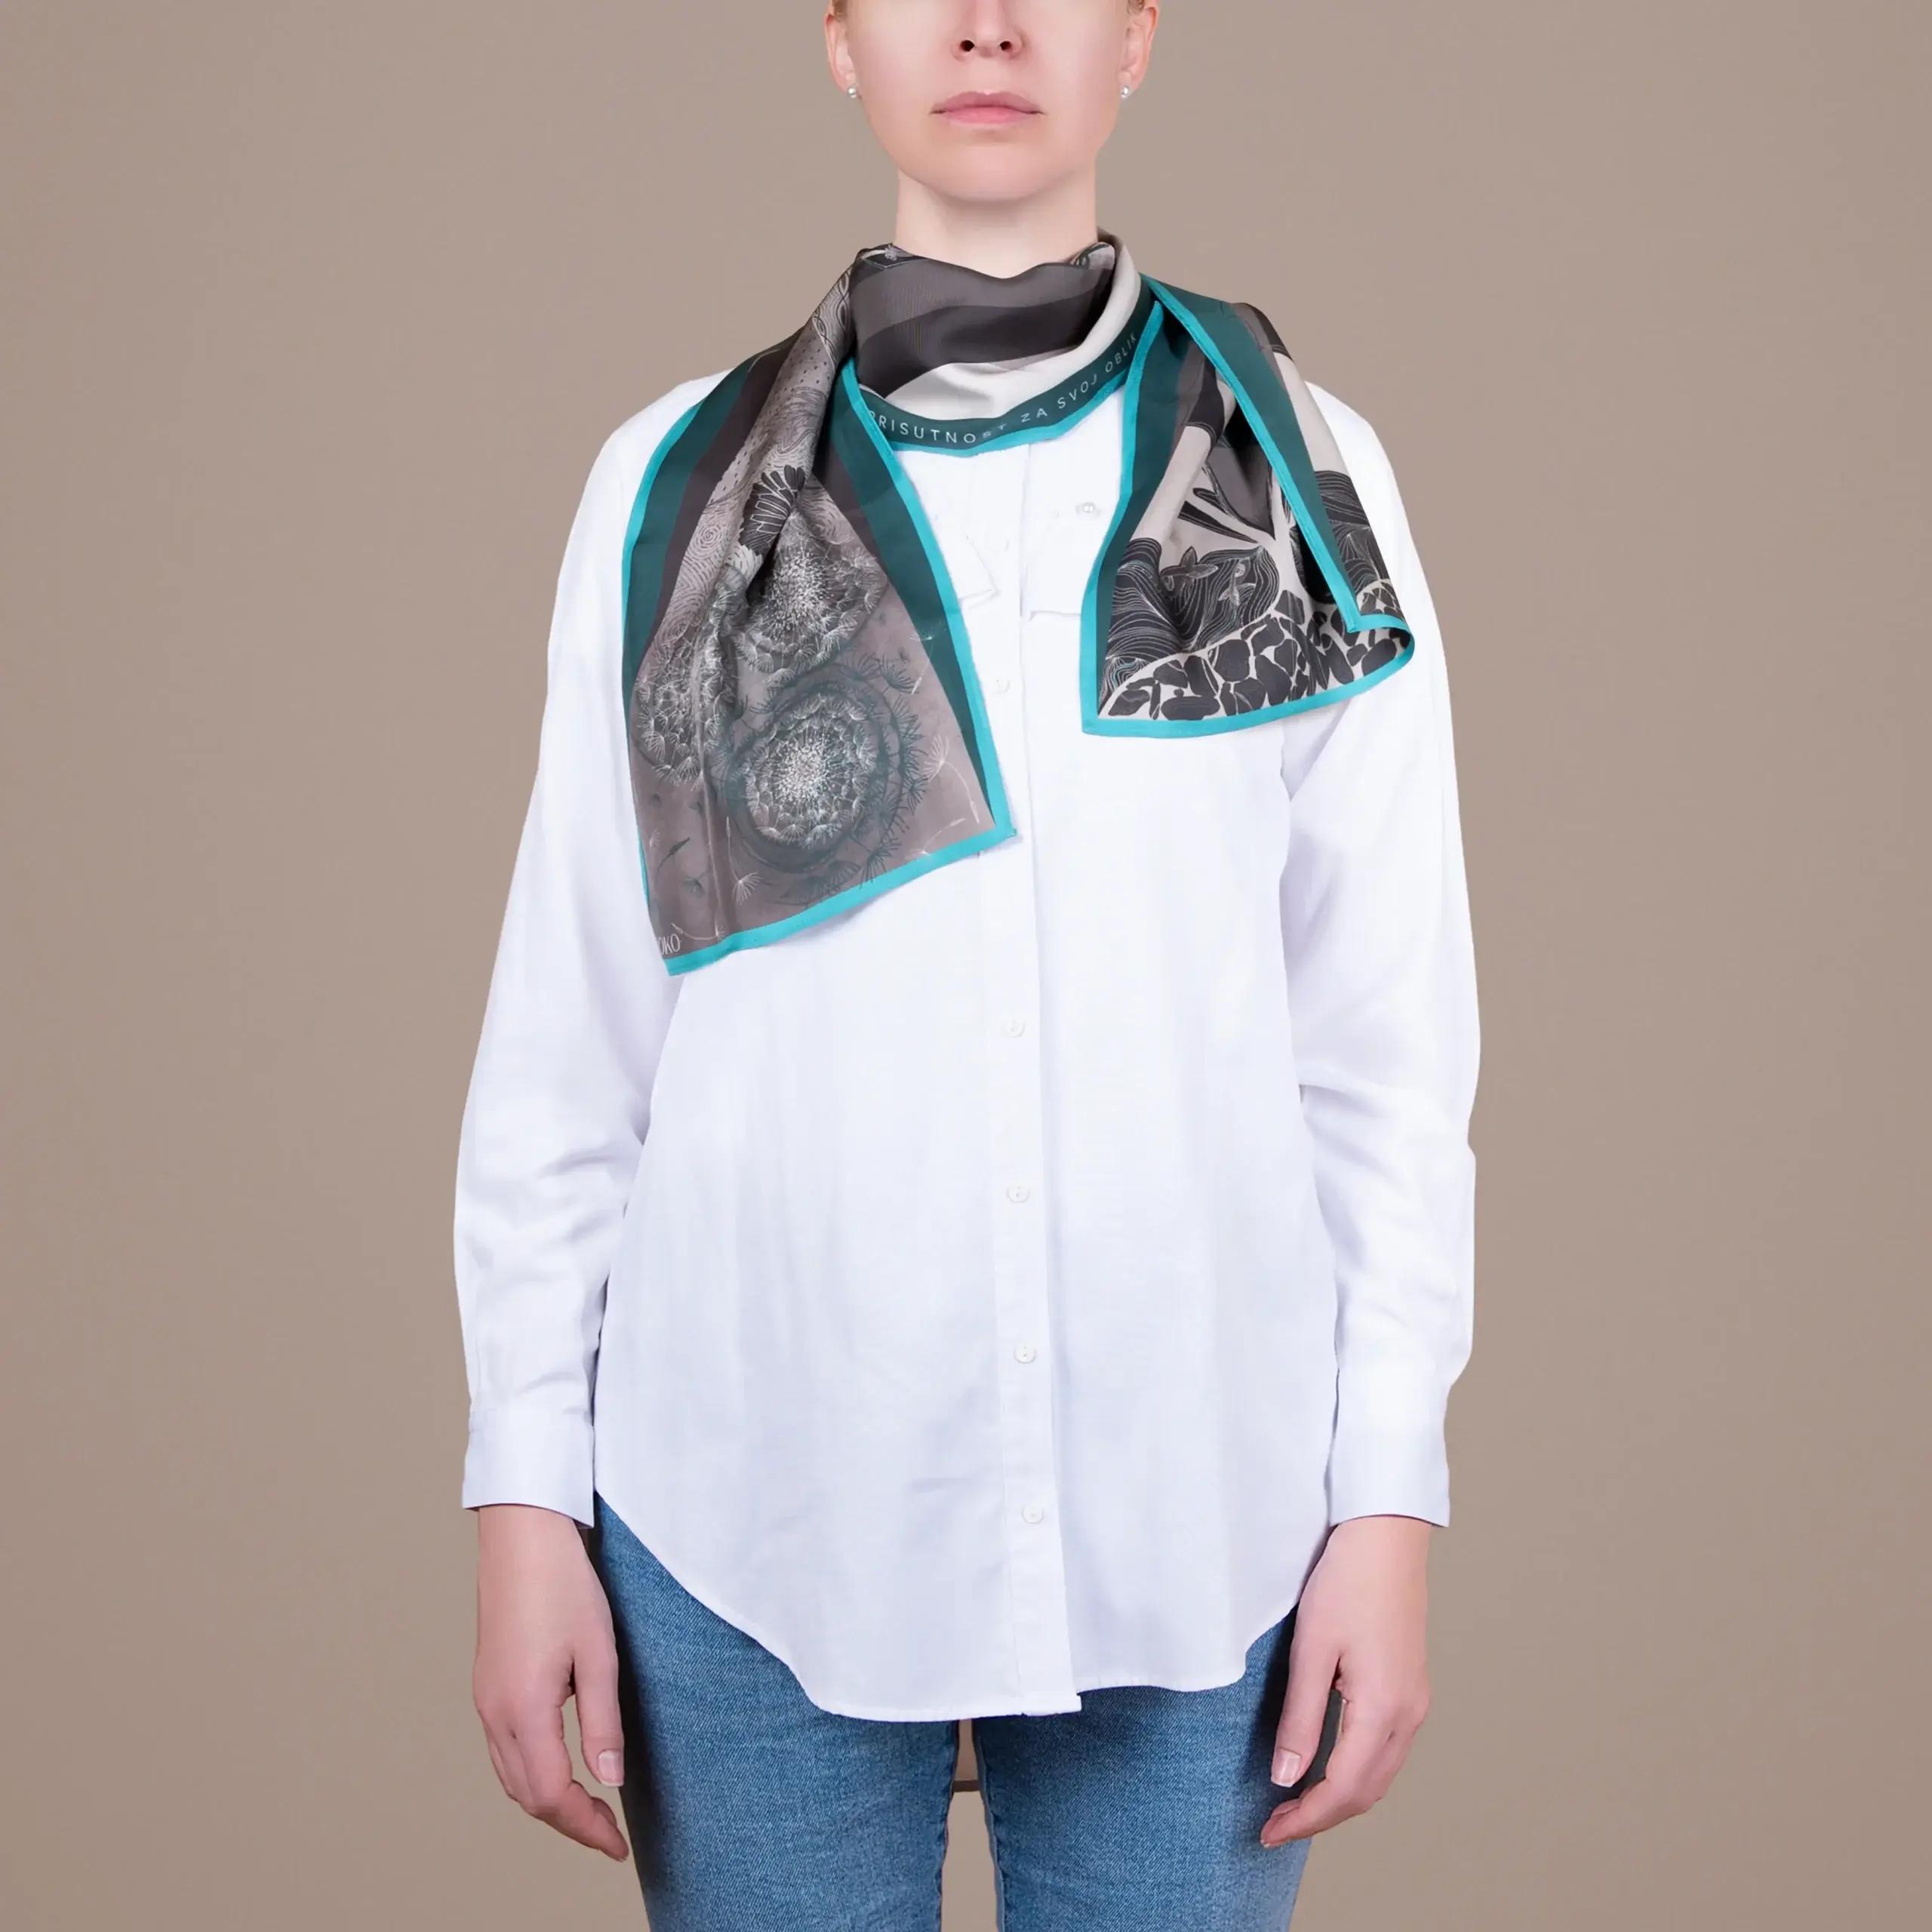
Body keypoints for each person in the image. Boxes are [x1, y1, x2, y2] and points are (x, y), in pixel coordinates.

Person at [452, 2, 1479, 1926]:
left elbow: (1381, 1056)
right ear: (840, 39)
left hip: (1200, 1507)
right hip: (747, 1500)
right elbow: (572, 1043)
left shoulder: (1299, 474)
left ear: (1137, 36)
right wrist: (523, 1491)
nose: (990, 22)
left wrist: (1384, 1503)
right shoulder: (668, 488)